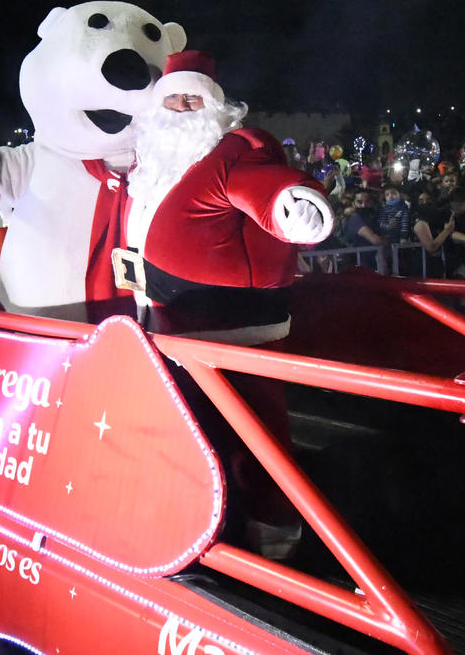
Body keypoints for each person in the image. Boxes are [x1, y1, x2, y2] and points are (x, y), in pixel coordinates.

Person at [120, 50, 333, 560]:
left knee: (256, 445)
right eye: (174, 97)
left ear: (217, 106)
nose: (184, 106)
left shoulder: (234, 151)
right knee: (185, 441)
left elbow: (266, 187)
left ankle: (276, 548)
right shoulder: (149, 163)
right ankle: (196, 533)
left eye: (195, 97)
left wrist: (294, 209)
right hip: (165, 331)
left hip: (233, 335)